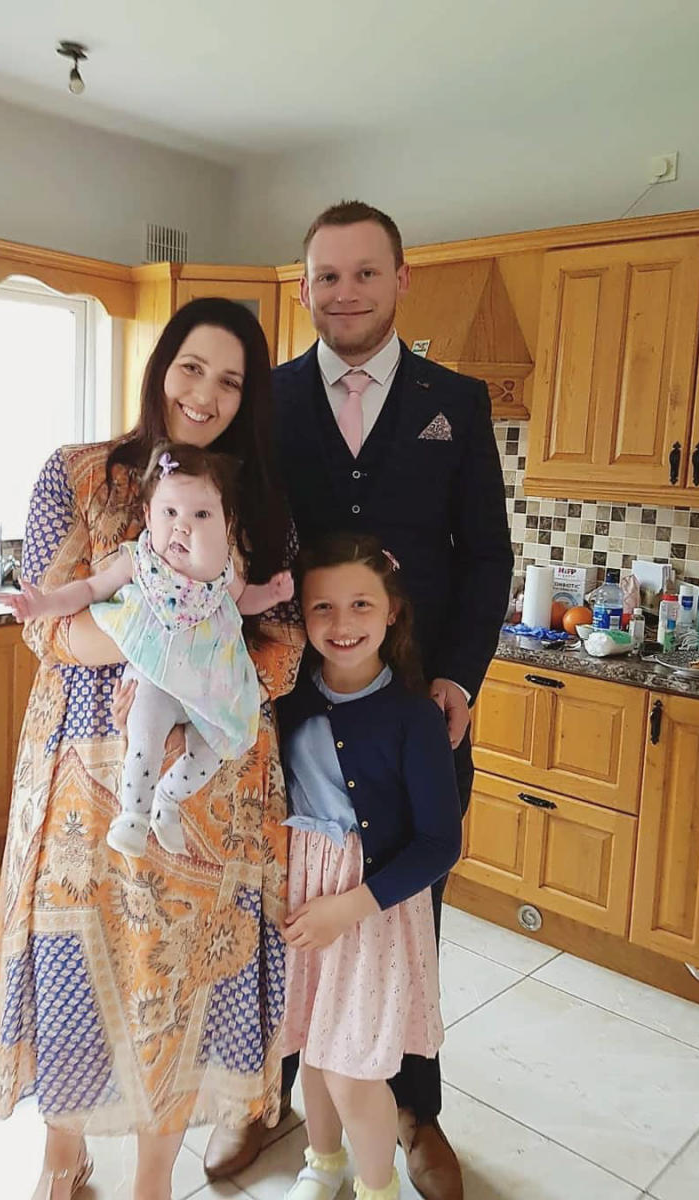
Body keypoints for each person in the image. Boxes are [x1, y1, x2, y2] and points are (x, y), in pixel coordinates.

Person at [203, 202, 513, 1200]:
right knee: (276, 913)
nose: (344, 293)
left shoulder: (454, 403)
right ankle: (270, 1096)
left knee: (403, 921)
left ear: (400, 280)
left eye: (363, 274)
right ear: (304, 288)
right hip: (287, 714)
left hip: (414, 708)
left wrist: (458, 676)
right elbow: (234, 541)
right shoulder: (268, 400)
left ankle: (412, 1111)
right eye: (326, 276)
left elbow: (488, 556)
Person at [0, 297, 303, 1200]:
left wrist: (220, 663)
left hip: (211, 795)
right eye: (192, 367)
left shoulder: (257, 502)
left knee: (179, 991)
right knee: (77, 967)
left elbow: (281, 647)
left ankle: (153, 1182)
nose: (206, 393)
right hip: (83, 787)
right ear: (161, 365)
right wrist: (163, 622)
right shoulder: (78, 475)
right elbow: (51, 629)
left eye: (231, 380)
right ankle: (63, 1154)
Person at [0, 441, 293, 858]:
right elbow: (87, 589)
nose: (182, 527)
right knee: (145, 729)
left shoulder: (224, 569)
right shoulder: (138, 562)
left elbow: (242, 604)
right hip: (156, 677)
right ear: (147, 516)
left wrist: (270, 595)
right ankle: (133, 815)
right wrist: (42, 603)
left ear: (226, 523)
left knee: (220, 744)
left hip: (209, 685)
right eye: (169, 513)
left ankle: (168, 801)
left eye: (201, 515)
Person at [280, 533, 461, 1200]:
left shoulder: (415, 718)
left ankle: (377, 1187)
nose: (341, 623)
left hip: (369, 916)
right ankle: (323, 1164)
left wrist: (347, 908)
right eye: (321, 607)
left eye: (360, 604)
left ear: (393, 612)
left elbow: (441, 844)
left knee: (355, 1069)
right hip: (301, 900)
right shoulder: (289, 700)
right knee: (311, 1047)